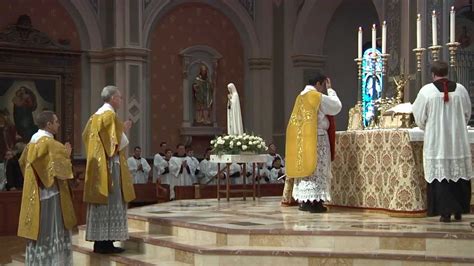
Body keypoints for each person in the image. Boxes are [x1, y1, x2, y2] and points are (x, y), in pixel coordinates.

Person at [412, 61, 472, 223]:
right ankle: (459, 210)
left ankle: (444, 212)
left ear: (433, 74)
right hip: (457, 141)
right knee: (458, 174)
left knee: (441, 177)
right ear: (447, 72)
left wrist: (429, 127)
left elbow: (419, 117)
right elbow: (467, 113)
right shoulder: (461, 90)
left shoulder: (426, 91)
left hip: (437, 141)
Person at [17, 111, 76, 265]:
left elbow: (23, 162)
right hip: (51, 194)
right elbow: (62, 171)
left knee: (40, 231)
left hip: (36, 193)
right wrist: (67, 155)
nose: (58, 124)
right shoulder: (52, 144)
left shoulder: (31, 143)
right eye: (56, 121)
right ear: (48, 124)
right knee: (51, 229)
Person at [82, 85, 135, 253]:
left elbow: (86, 137)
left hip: (97, 165)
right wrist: (124, 129)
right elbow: (115, 144)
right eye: (119, 97)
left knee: (102, 203)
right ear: (112, 98)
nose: (121, 100)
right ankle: (107, 243)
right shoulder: (110, 115)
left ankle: (100, 242)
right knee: (112, 201)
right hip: (110, 166)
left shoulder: (94, 116)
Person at [284, 74, 341, 212]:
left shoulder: (300, 97)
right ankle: (316, 203)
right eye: (322, 85)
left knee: (305, 171)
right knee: (318, 169)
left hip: (302, 138)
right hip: (318, 138)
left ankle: (305, 202)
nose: (322, 89)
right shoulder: (315, 96)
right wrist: (331, 90)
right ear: (319, 83)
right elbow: (336, 106)